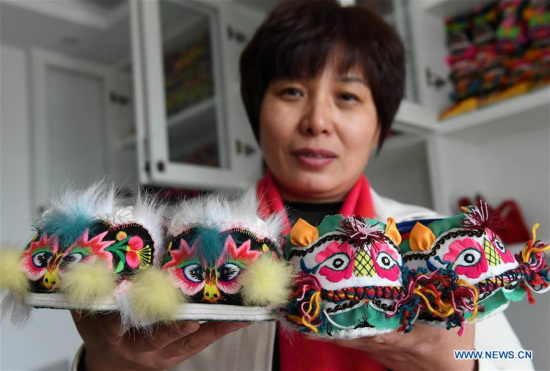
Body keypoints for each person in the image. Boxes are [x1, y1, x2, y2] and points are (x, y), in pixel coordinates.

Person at [71, 1, 534, 370]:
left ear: (380, 126)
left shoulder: (441, 243)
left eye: (348, 96)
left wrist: (464, 367)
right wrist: (108, 364)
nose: (317, 121)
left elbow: (515, 359)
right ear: (257, 113)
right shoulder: (185, 244)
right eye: (291, 91)